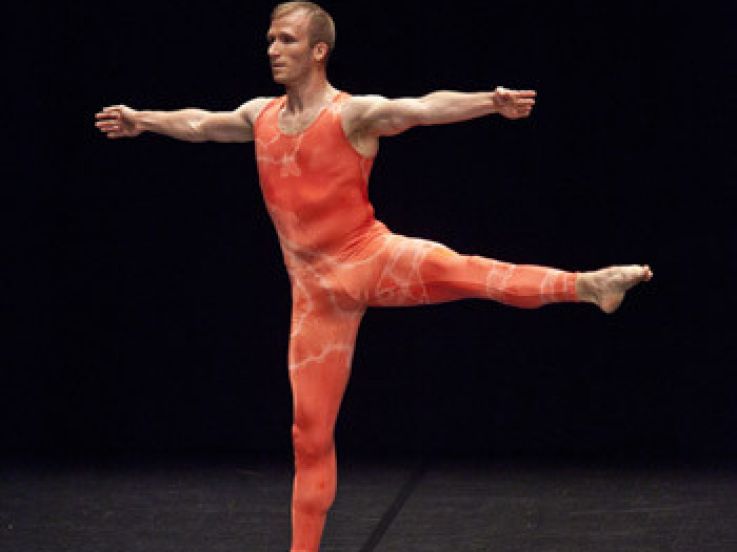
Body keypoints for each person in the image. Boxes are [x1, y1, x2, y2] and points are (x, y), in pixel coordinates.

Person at [95, 2, 652, 550]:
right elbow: (200, 124)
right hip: (316, 298)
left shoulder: (351, 114)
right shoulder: (258, 116)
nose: (272, 49)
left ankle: (589, 285)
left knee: (474, 272)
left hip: (372, 260)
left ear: (319, 50)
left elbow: (421, 108)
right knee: (309, 438)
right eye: (270, 39)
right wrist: (142, 120)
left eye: (286, 40)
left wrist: (489, 101)